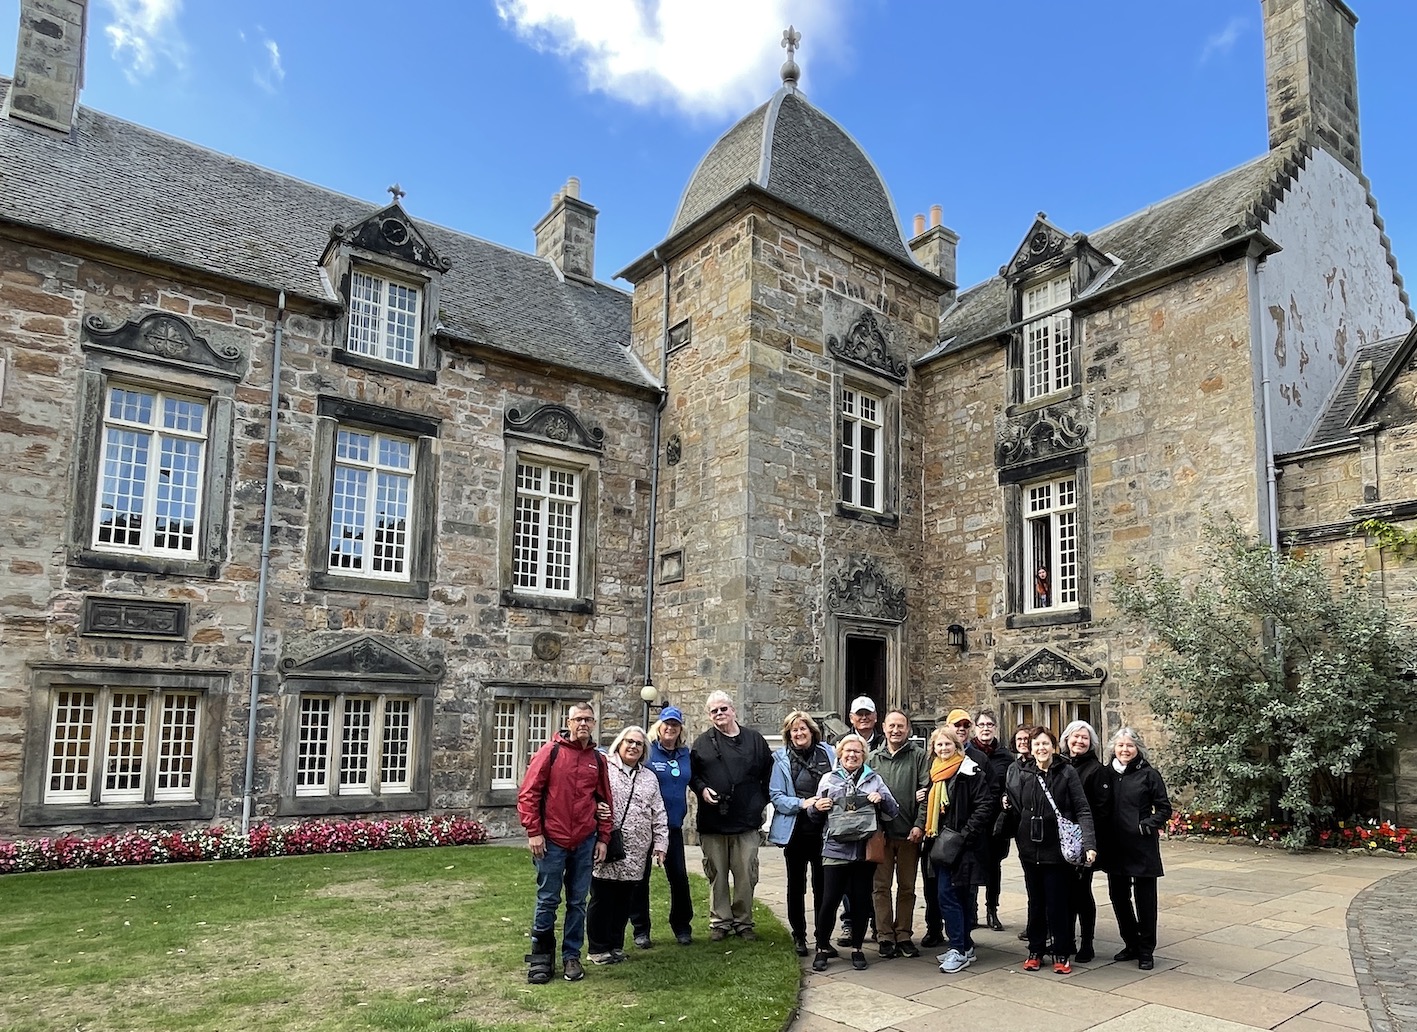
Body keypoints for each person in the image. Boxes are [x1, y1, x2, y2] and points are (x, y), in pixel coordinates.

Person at [516, 702, 613, 984]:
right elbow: (528, 794)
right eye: (578, 719)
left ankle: (572, 956)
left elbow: (605, 800)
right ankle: (541, 958)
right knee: (548, 900)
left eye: (588, 719)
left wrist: (603, 837)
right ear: (568, 723)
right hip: (552, 841)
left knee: (578, 902)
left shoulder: (598, 759)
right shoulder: (551, 752)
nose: (583, 724)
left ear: (594, 724)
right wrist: (534, 832)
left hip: (584, 840)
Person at [1005, 725, 1096, 975]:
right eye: (1036, 745)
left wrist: (1089, 844)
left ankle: (1061, 951)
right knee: (1036, 902)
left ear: (1054, 747)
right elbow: (1016, 805)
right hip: (1029, 849)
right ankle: (1035, 950)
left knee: (1058, 903)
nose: (1041, 748)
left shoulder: (1066, 772)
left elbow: (1082, 809)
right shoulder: (1024, 772)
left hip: (1057, 850)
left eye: (1045, 744)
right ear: (1031, 749)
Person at [809, 734, 899, 973]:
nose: (852, 755)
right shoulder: (829, 779)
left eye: (857, 752)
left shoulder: (874, 779)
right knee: (829, 901)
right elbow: (815, 816)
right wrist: (817, 807)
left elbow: (893, 811)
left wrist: (881, 800)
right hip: (835, 850)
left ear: (864, 756)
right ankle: (821, 948)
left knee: (861, 900)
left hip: (863, 850)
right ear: (840, 754)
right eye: (847, 751)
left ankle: (858, 948)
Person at [689, 690, 773, 941]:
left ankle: (744, 921)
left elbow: (769, 772)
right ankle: (720, 921)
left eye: (723, 709)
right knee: (717, 874)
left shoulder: (754, 740)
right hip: (713, 822)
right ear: (709, 715)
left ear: (733, 710)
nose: (719, 714)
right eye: (714, 711)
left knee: (746, 873)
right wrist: (702, 790)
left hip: (746, 822)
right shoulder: (702, 743)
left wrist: (760, 801)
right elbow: (692, 775)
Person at [587, 726, 668, 965]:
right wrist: (595, 810)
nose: (633, 747)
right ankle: (598, 948)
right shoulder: (603, 768)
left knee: (624, 900)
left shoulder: (649, 777)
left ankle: (615, 945)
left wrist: (661, 842)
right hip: (607, 844)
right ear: (619, 744)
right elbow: (586, 796)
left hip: (636, 850)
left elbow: (658, 812)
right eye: (629, 742)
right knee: (602, 898)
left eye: (639, 744)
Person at [922, 726, 993, 973]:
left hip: (961, 846)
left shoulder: (969, 771)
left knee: (948, 895)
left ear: (957, 746)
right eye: (939, 745)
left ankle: (958, 949)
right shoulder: (936, 773)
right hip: (941, 842)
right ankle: (966, 945)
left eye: (948, 745)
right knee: (957, 896)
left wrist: (965, 835)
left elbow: (984, 805)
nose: (943, 749)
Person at [1103, 727, 1173, 971]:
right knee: (1119, 897)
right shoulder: (1107, 774)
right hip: (1115, 846)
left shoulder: (1149, 774)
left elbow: (1164, 809)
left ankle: (1146, 949)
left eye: (1130, 746)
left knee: (1145, 901)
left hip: (1142, 846)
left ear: (1137, 749)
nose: (1125, 750)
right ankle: (1131, 942)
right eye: (1121, 746)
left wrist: (1147, 825)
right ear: (1113, 748)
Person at [768, 711, 837, 956]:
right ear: (789, 735)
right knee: (796, 887)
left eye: (802, 729)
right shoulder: (781, 759)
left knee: (824, 888)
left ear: (811, 731)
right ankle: (799, 936)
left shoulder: (830, 753)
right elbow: (776, 796)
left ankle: (823, 938)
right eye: (794, 731)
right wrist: (803, 804)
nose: (799, 734)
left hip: (824, 833)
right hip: (796, 833)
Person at [868, 709, 930, 959]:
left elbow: (926, 793)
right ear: (883, 727)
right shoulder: (872, 758)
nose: (896, 730)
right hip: (880, 835)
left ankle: (903, 933)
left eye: (900, 726)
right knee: (880, 887)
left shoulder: (919, 757)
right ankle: (884, 936)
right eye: (891, 726)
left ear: (908, 729)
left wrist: (919, 824)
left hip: (908, 834)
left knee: (907, 887)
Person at [631, 706, 694, 947]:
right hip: (644, 827)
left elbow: (696, 778)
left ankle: (682, 926)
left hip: (673, 826)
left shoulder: (685, 754)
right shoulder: (648, 752)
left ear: (680, 729)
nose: (670, 728)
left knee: (678, 877)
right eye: (666, 724)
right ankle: (641, 929)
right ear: (659, 726)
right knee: (640, 878)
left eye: (675, 725)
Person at [834, 696, 884, 944]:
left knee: (874, 877)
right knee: (846, 879)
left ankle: (876, 923)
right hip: (846, 825)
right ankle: (850, 923)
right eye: (858, 714)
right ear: (851, 718)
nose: (863, 718)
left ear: (875, 717)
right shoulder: (839, 745)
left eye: (868, 714)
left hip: (875, 825)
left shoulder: (885, 743)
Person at [1060, 719, 1108, 962]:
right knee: (1064, 893)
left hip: (1081, 840)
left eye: (1084, 738)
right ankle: (1066, 939)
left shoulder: (1096, 770)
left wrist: (1089, 843)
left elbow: (1099, 810)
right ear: (1066, 739)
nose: (1079, 741)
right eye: (1075, 737)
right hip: (1060, 839)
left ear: (1091, 743)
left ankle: (1087, 943)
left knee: (1081, 893)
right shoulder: (1059, 765)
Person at [971, 709, 1013, 932]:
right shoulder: (967, 752)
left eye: (989, 724)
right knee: (971, 865)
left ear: (995, 728)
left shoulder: (1005, 756)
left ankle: (991, 910)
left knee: (993, 866)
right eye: (981, 725)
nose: (985, 728)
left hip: (996, 819)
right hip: (975, 817)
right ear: (975, 728)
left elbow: (1010, 784)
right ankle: (971, 911)